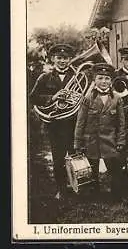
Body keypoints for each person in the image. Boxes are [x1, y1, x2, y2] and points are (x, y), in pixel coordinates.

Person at [29, 44, 77, 200]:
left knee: (76, 155)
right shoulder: (44, 77)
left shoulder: (77, 76)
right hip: (55, 124)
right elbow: (33, 98)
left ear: (70, 59)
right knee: (58, 158)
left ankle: (79, 187)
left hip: (74, 122)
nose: (63, 61)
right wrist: (52, 98)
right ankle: (62, 189)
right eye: (59, 58)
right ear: (53, 59)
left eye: (66, 58)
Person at [74, 63, 126, 200]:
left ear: (111, 81)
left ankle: (116, 195)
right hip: (91, 140)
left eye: (107, 79)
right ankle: (93, 194)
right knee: (92, 169)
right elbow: (80, 122)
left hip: (110, 140)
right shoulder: (88, 98)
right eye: (100, 78)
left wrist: (120, 140)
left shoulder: (117, 98)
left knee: (115, 170)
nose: (104, 82)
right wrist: (78, 143)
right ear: (94, 80)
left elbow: (121, 123)